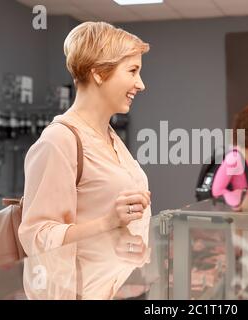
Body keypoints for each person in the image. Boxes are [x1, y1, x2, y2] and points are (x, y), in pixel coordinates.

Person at [19, 22, 151, 256]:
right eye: (132, 71)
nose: (141, 84)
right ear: (99, 73)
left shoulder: (110, 136)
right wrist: (108, 223)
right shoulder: (59, 140)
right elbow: (37, 238)